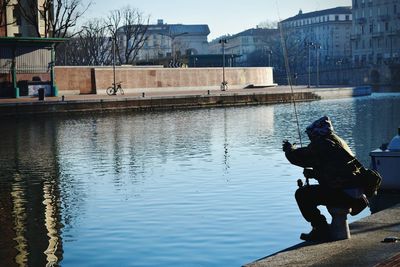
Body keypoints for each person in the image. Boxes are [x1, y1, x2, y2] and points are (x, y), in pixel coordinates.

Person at [282, 116, 368, 242]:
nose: (310, 139)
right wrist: (314, 174)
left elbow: (299, 158)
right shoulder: (337, 141)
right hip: (356, 192)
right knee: (311, 192)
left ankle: (320, 229)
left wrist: (289, 150)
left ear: (317, 134)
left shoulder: (322, 144)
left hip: (344, 194)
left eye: (311, 136)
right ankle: (324, 229)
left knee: (302, 194)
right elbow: (334, 169)